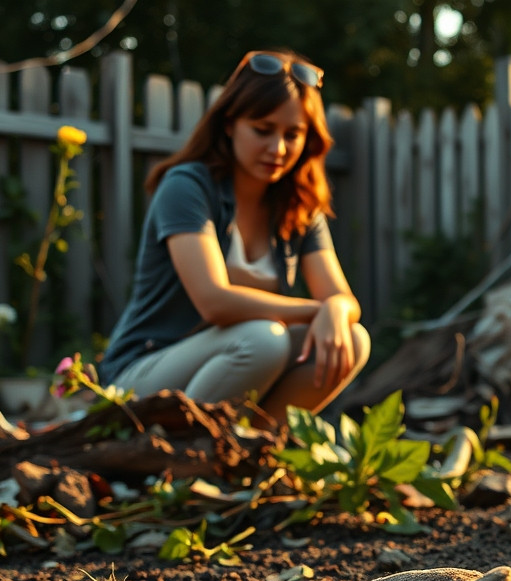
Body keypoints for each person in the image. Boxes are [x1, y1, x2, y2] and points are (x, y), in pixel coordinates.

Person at [99, 49, 370, 422]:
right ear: (229, 123)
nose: (277, 148)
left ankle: (250, 451)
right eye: (262, 130)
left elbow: (343, 299)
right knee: (263, 340)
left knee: (352, 340)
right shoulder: (188, 186)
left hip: (230, 371)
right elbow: (215, 302)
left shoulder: (299, 207)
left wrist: (336, 309)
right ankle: (182, 458)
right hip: (142, 377)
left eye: (292, 135)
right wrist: (319, 310)